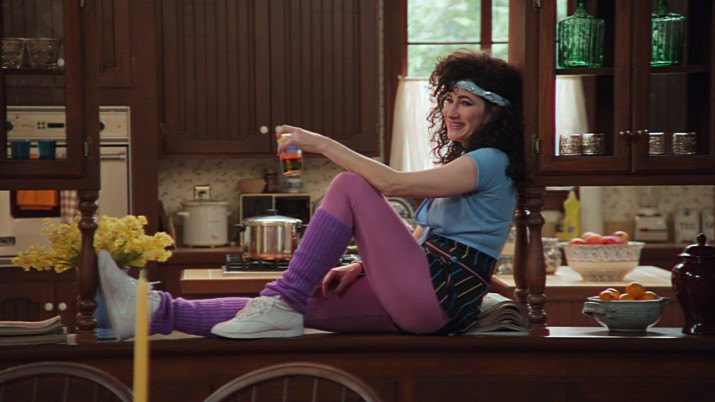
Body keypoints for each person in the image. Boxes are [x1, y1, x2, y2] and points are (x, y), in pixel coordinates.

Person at [99, 49, 526, 340]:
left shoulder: (490, 160)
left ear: (495, 112)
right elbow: (426, 238)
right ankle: (152, 312)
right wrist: (364, 264)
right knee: (296, 306)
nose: (452, 111)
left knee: (351, 185)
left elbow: (393, 184)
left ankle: (282, 297)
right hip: (428, 298)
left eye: (466, 102)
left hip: (438, 295)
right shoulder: (471, 161)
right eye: (449, 99)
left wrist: (319, 143)